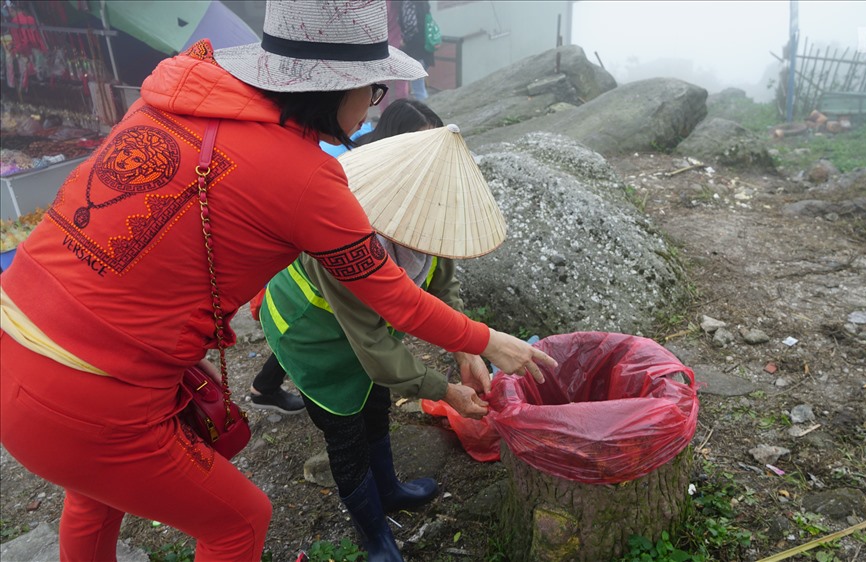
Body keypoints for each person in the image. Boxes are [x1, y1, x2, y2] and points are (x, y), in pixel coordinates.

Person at [0, 2, 557, 561]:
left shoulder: (175, 96)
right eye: (375, 90)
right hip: (94, 395)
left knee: (94, 498)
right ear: (339, 87)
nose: (370, 108)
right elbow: (395, 300)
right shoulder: (306, 179)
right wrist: (486, 341)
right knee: (240, 521)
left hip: (13, 342)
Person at [259, 99, 491, 561]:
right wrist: (446, 390)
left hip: (361, 334)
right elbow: (372, 343)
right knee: (344, 433)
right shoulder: (347, 230)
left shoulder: (428, 216)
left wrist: (467, 349)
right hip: (310, 334)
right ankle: (375, 537)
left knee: (376, 402)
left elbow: (443, 287)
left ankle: (389, 490)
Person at [399, 0, 434, 100]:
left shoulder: (408, 3)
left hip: (415, 51)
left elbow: (411, 25)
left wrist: (404, 40)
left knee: (418, 88)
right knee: (420, 86)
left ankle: (425, 112)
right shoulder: (423, 3)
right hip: (426, 48)